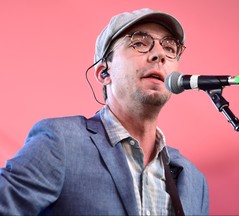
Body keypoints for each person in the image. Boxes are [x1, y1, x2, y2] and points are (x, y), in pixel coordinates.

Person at [0, 8, 209, 215]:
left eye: (170, 48)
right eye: (139, 43)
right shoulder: (60, 142)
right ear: (104, 73)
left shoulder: (195, 181)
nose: (159, 55)